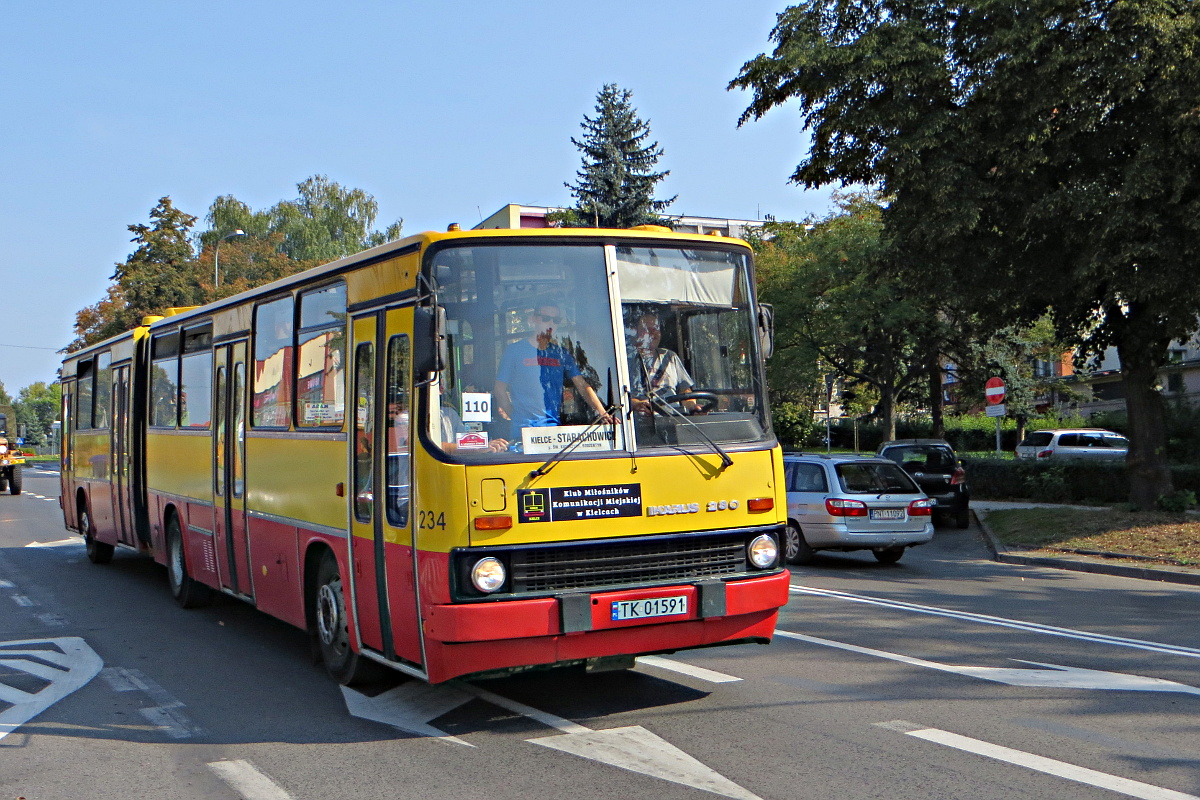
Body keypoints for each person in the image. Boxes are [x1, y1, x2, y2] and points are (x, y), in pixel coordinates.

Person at [494, 303, 614, 442]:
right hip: (523, 431)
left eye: (556, 320)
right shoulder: (514, 351)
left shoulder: (561, 354)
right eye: (546, 318)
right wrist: (514, 416)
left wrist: (603, 413)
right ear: (533, 319)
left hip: (554, 430)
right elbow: (499, 388)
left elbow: (582, 385)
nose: (551, 323)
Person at [627, 310, 699, 416]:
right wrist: (637, 404)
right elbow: (620, 398)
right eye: (648, 329)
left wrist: (692, 406)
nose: (653, 333)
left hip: (675, 419)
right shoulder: (627, 360)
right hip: (642, 423)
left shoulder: (669, 357)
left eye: (656, 329)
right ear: (637, 333)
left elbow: (685, 390)